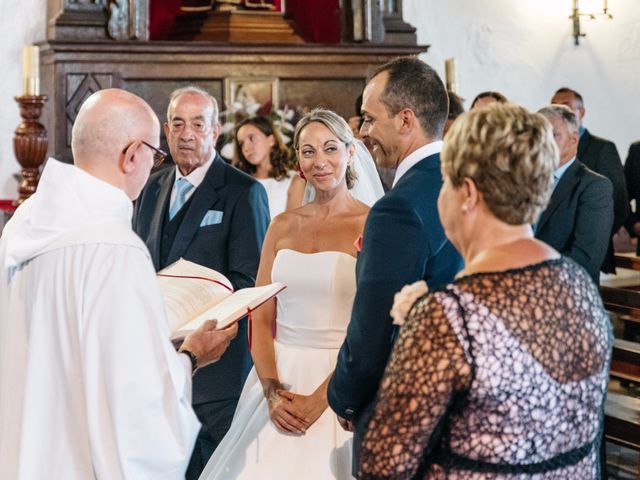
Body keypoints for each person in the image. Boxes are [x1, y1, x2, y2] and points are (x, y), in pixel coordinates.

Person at [358, 103, 612, 479]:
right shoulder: (580, 288)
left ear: (468, 194)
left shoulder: (452, 315)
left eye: (445, 182)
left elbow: (382, 464)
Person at [0, 88, 238, 480]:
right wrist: (190, 356)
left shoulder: (24, 223)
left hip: (25, 455)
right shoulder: (114, 248)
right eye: (155, 155)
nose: (153, 167)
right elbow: (138, 407)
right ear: (131, 155)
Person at [199, 108, 380, 479]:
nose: (319, 161)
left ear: (349, 152)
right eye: (307, 151)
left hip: (341, 376)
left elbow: (375, 325)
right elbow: (261, 313)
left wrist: (324, 399)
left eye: (330, 148)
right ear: (297, 159)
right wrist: (271, 391)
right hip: (278, 375)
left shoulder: (373, 222)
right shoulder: (281, 225)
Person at [327, 56, 464, 474]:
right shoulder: (467, 183)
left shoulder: (398, 207)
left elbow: (373, 327)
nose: (363, 132)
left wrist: (346, 398)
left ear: (406, 120)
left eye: (369, 119)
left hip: (404, 414)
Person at [132, 86, 270, 479]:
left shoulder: (244, 192)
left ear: (216, 131)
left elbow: (249, 281)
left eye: (197, 123)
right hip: (159, 367)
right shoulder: (152, 186)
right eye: (177, 123)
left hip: (216, 372)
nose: (186, 133)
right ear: (166, 130)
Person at [551, 87, 629, 275]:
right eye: (555, 105)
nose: (560, 109)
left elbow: (619, 204)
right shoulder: (545, 158)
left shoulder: (602, 148)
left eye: (566, 105)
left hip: (589, 255)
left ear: (581, 112)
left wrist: (595, 232)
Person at [535, 105, 613, 284]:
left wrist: (531, 278)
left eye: (554, 135)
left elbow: (585, 260)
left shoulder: (594, 187)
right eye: (538, 134)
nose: (544, 142)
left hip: (569, 295)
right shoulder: (524, 182)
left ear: (573, 140)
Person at [234, 116, 305, 218]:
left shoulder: (293, 182)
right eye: (241, 144)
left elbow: (293, 228)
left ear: (271, 140)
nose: (246, 148)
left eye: (252, 138)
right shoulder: (240, 181)